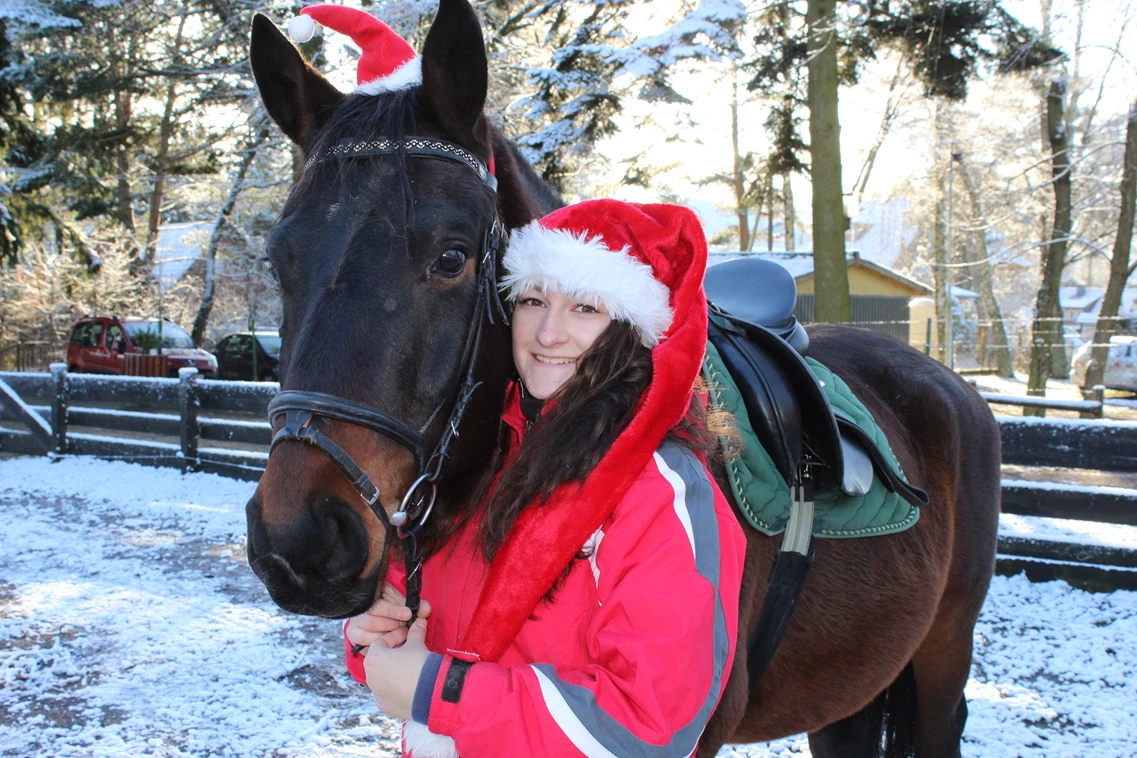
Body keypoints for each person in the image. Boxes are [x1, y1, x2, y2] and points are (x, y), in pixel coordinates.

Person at [344, 199, 748, 758]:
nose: (548, 333)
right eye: (533, 300)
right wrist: (378, 630)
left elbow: (646, 728)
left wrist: (439, 693)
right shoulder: (476, 448)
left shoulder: (658, 489)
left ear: (631, 331)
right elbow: (410, 596)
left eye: (585, 308)